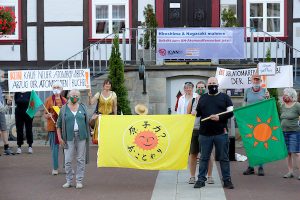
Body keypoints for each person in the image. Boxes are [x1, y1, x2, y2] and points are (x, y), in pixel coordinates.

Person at [193, 77, 234, 189]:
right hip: (205, 133)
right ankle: (201, 180)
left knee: (224, 158)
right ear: (207, 85)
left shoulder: (225, 97)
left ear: (218, 84)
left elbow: (231, 113)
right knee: (203, 158)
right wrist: (194, 111)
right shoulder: (203, 98)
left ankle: (227, 180)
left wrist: (219, 117)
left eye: (214, 83)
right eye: (210, 83)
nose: (212, 85)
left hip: (221, 133)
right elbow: (198, 113)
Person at [57, 89, 90, 189]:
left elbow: (87, 121)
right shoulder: (63, 109)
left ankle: (79, 180)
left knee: (80, 159)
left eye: (77, 95)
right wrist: (59, 138)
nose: (75, 97)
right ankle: (69, 180)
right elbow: (58, 125)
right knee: (67, 160)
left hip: (81, 136)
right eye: (73, 95)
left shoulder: (83, 107)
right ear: (69, 96)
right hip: (68, 137)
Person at [186, 81, 214, 185]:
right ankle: (192, 176)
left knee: (208, 154)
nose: (201, 89)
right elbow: (187, 115)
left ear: (206, 88)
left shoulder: (210, 100)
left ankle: (210, 176)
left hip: (207, 130)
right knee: (193, 154)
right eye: (199, 87)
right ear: (196, 88)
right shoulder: (192, 101)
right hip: (195, 130)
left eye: (202, 87)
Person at [243, 73, 270, 176]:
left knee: (260, 143)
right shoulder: (247, 91)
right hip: (250, 122)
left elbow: (268, 106)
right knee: (250, 144)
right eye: (254, 79)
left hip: (261, 123)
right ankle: (251, 166)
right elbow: (244, 104)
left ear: (260, 81)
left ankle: (260, 166)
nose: (256, 81)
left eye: (257, 79)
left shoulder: (265, 91)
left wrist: (268, 98)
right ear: (251, 80)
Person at [44, 81, 67, 175]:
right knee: (54, 148)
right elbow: (45, 114)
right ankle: (55, 168)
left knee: (66, 148)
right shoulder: (48, 100)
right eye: (54, 87)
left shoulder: (65, 100)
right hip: (52, 127)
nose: (56, 89)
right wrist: (48, 115)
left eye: (58, 87)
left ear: (61, 89)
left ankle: (67, 167)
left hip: (64, 128)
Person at [280, 88, 300, 179]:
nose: (284, 96)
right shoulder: (283, 106)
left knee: (297, 153)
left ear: (292, 95)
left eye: (286, 95)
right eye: (284, 95)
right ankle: (290, 171)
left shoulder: (297, 105)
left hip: (294, 132)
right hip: (284, 132)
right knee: (287, 153)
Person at [0, 70, 14, 155]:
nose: (3, 78)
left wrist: (7, 103)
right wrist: (8, 105)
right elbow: (2, 109)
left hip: (1, 110)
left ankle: (6, 147)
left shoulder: (0, 87)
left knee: (4, 129)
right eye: (2, 76)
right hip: (1, 109)